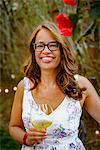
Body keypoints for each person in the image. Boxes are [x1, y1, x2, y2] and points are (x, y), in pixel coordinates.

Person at [9, 21, 100, 150]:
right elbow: (14, 127)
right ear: (34, 51)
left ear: (62, 50)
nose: (46, 51)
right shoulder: (24, 87)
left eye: (53, 45)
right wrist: (26, 138)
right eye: (40, 45)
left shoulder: (80, 85)